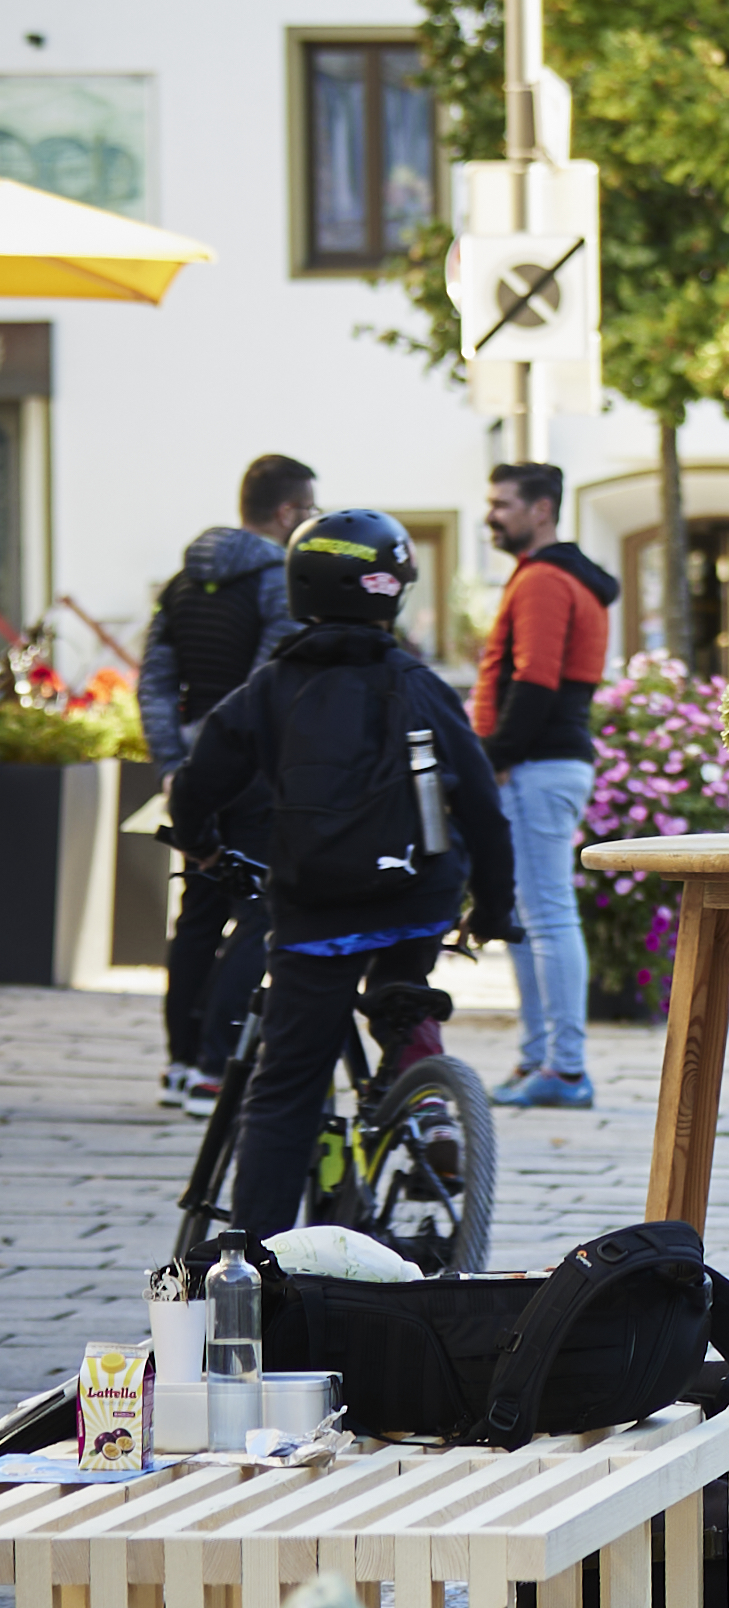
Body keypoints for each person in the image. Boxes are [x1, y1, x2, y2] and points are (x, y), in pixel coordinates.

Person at [169, 506, 512, 1238]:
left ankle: (254, 1267)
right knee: (400, 984)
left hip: (317, 912)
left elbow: (198, 784)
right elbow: (481, 800)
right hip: (418, 894)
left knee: (286, 1092)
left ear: (301, 589)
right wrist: (494, 906)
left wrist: (198, 846)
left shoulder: (271, 687)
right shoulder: (419, 684)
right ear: (393, 591)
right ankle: (421, 1090)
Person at [138, 447, 314, 1104]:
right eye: (311, 508)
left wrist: (174, 764)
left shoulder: (182, 585)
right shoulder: (279, 580)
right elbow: (270, 682)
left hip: (192, 776)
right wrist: (237, 754)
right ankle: (216, 1063)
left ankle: (181, 1063)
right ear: (288, 510)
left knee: (198, 916)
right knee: (259, 913)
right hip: (256, 774)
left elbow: (155, 681)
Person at [475, 458, 614, 1114]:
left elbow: (534, 681)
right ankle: (542, 1060)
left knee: (547, 917)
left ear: (540, 510)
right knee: (534, 919)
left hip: (535, 766)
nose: (491, 514)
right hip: (545, 763)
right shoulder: (562, 578)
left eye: (502, 503)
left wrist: (495, 756)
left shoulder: (542, 580)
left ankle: (562, 1068)